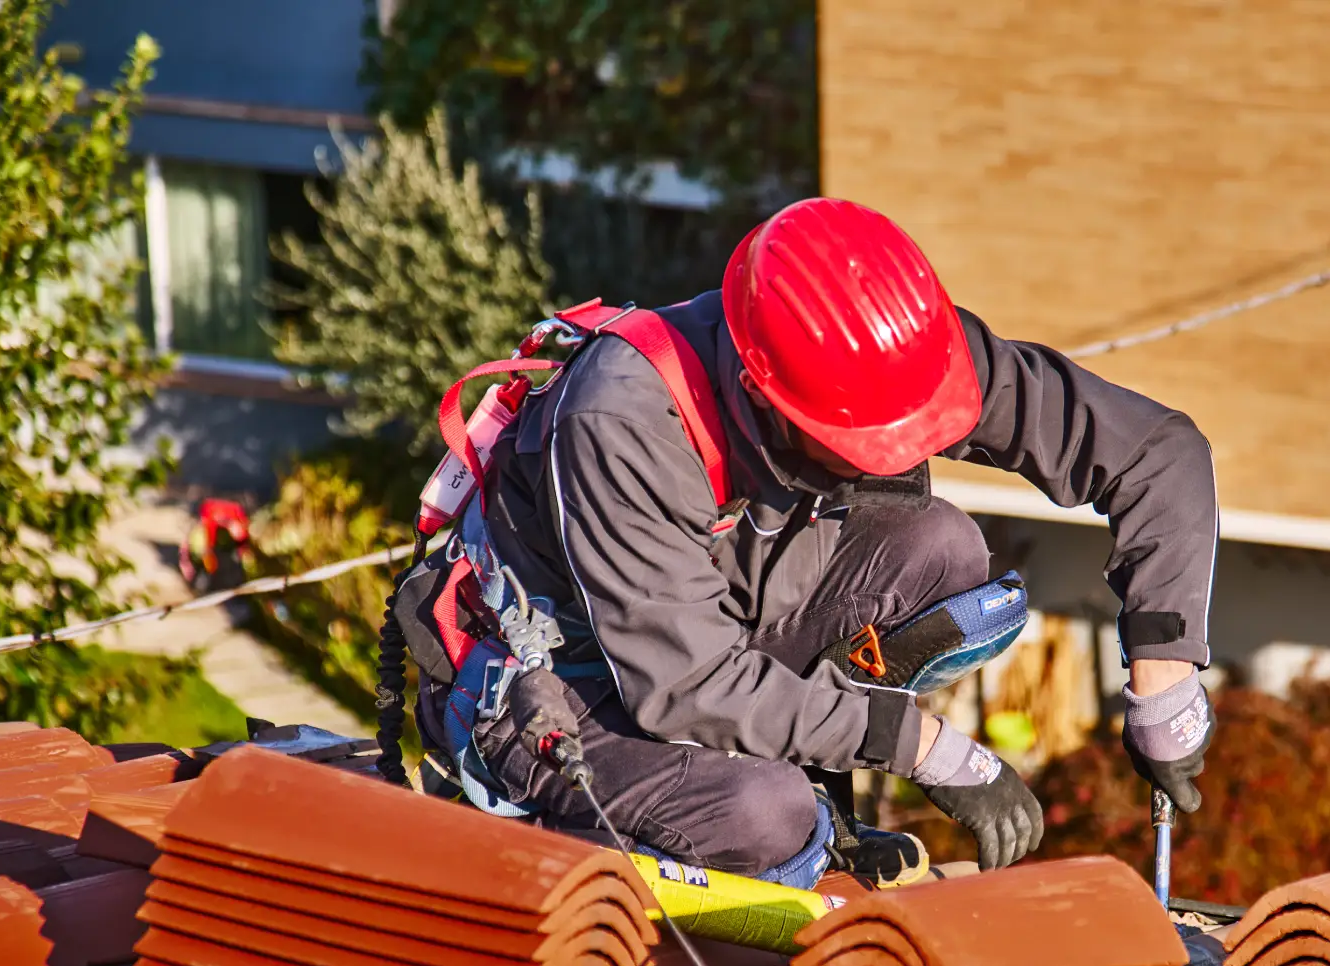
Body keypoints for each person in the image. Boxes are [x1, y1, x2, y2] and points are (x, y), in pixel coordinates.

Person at [412, 198, 1219, 889]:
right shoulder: (622, 419)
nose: (906, 452)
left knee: (943, 556)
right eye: (872, 444)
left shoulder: (897, 354)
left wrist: (1165, 671)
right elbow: (688, 683)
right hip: (562, 691)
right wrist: (927, 748)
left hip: (719, 620)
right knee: (765, 817)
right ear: (772, 402)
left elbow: (1156, 452)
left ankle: (809, 792)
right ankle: (579, 843)